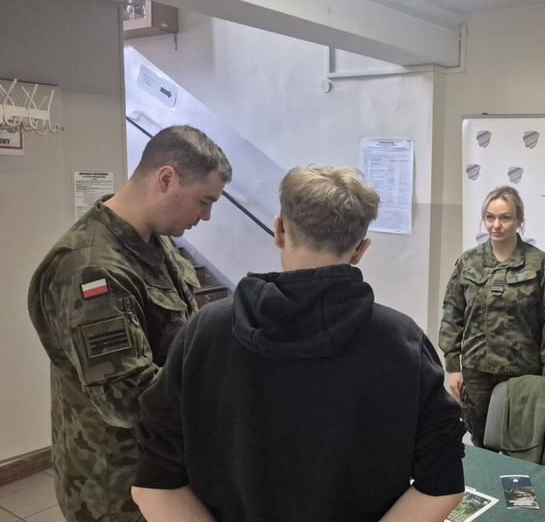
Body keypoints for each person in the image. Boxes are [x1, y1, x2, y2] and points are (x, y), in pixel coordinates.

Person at [131, 166, 466, 522]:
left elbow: (154, 481)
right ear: (360, 249)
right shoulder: (401, 342)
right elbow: (442, 482)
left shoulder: (204, 332)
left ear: (278, 230)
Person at [27, 125, 231, 521]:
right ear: (166, 179)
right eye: (203, 201)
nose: (206, 216)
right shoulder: (91, 269)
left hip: (162, 468)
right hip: (117, 488)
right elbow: (128, 400)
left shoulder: (155, 242)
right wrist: (230, 387)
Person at [438, 185, 545, 447]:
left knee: (521, 443)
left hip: (523, 374)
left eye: (505, 218)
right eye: (490, 217)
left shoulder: (538, 264)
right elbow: (453, 314)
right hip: (477, 373)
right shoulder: (468, 262)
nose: (496, 225)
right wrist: (453, 367)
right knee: (481, 440)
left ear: (520, 220)